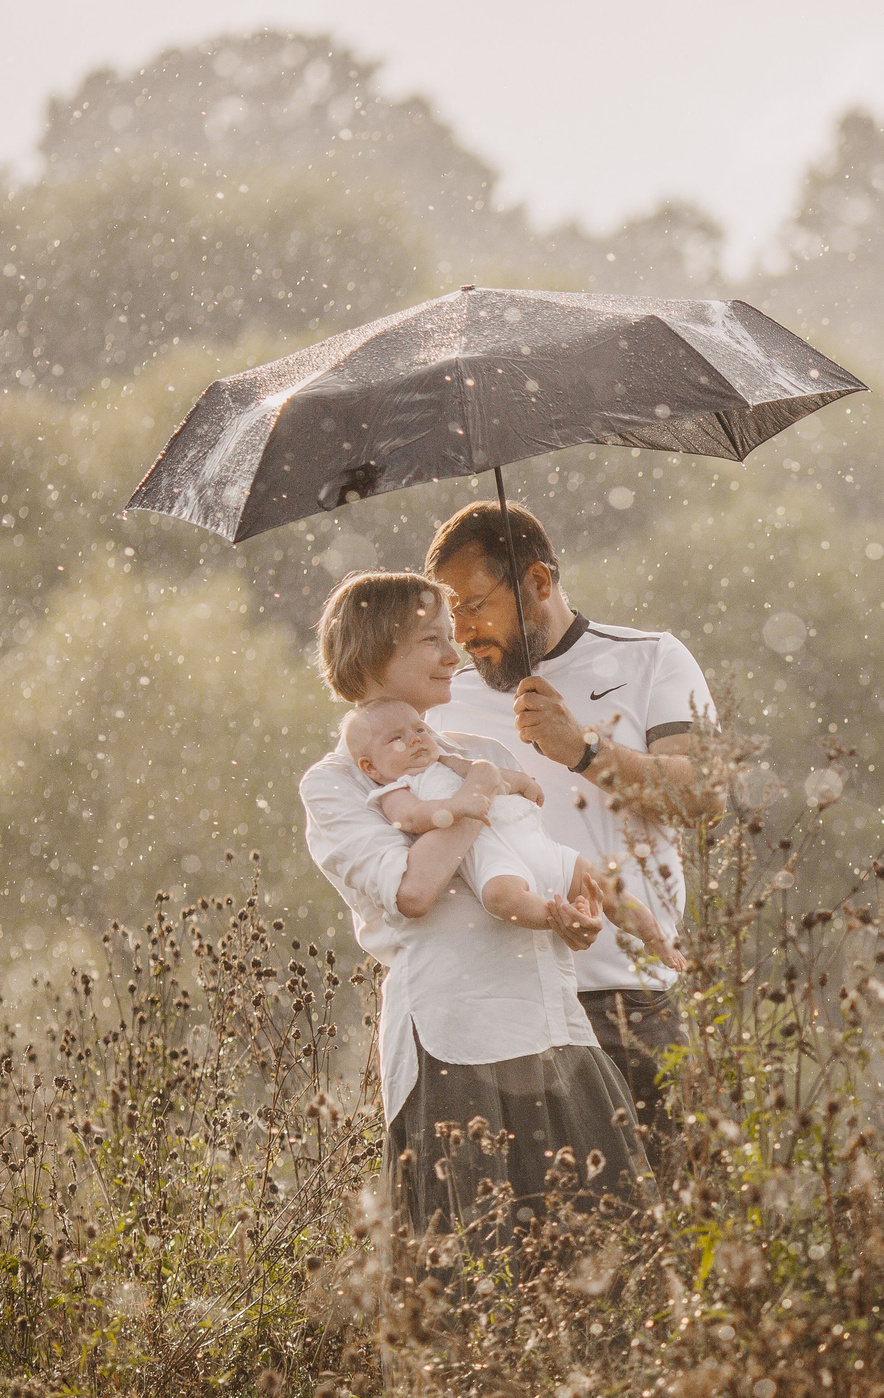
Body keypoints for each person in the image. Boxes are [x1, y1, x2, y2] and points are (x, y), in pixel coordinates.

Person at [299, 570, 650, 1250]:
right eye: (431, 639)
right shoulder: (338, 783)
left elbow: (528, 861)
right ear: (375, 651)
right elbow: (414, 890)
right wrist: (476, 796)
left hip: (550, 1024)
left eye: (450, 636)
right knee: (469, 1270)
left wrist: (568, 914)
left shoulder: (483, 753)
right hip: (454, 1041)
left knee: (609, 1254)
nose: (453, 654)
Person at [424, 501, 718, 1166]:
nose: (463, 632)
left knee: (660, 1224)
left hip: (627, 1001)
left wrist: (583, 749)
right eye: (451, 614)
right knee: (529, 1250)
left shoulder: (651, 660)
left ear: (539, 582)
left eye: (476, 603)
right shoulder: (444, 700)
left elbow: (705, 796)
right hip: (501, 1009)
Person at [342, 697, 665, 946]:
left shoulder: (450, 760)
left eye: (419, 730)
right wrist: (457, 806)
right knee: (503, 898)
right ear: (371, 767)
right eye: (397, 738)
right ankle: (558, 915)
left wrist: (520, 782)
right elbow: (410, 818)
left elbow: (494, 777)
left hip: (536, 845)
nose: (415, 740)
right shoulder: (397, 789)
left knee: (604, 884)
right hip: (498, 862)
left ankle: (655, 936)